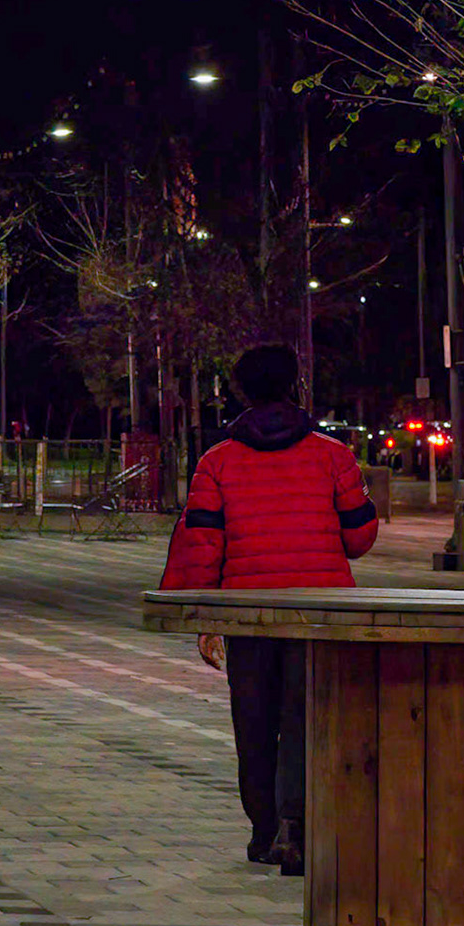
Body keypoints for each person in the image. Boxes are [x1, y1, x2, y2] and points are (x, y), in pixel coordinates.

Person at [159, 343, 379, 875]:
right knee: (307, 719)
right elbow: (360, 538)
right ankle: (297, 826)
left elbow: (204, 546)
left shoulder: (217, 461)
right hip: (319, 613)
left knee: (254, 723)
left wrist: (206, 621)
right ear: (294, 385)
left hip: (247, 613)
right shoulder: (334, 455)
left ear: (241, 392)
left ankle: (263, 831)